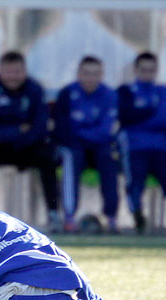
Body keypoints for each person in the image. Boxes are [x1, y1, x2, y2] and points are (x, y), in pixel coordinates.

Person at [0, 51, 61, 232]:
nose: (13, 77)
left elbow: (40, 127)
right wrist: (17, 131)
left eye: (17, 72)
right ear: (0, 71)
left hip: (27, 146)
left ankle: (54, 214)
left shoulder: (35, 90)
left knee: (48, 157)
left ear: (24, 71)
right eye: (9, 71)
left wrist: (18, 136)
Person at [54, 56, 119, 233]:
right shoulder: (67, 94)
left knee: (108, 157)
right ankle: (69, 217)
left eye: (95, 74)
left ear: (101, 75)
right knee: (71, 156)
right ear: (79, 74)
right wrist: (86, 134)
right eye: (86, 73)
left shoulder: (110, 95)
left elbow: (106, 131)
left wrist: (83, 132)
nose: (90, 78)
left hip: (99, 145)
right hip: (74, 145)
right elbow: (63, 129)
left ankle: (111, 217)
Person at [117, 52, 166, 234]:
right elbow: (125, 117)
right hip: (134, 147)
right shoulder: (126, 91)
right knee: (135, 182)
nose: (147, 74)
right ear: (136, 70)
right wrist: (150, 113)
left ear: (156, 71)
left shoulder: (163, 91)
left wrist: (140, 114)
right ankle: (138, 217)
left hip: (162, 148)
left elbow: (162, 118)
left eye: (151, 70)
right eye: (143, 70)